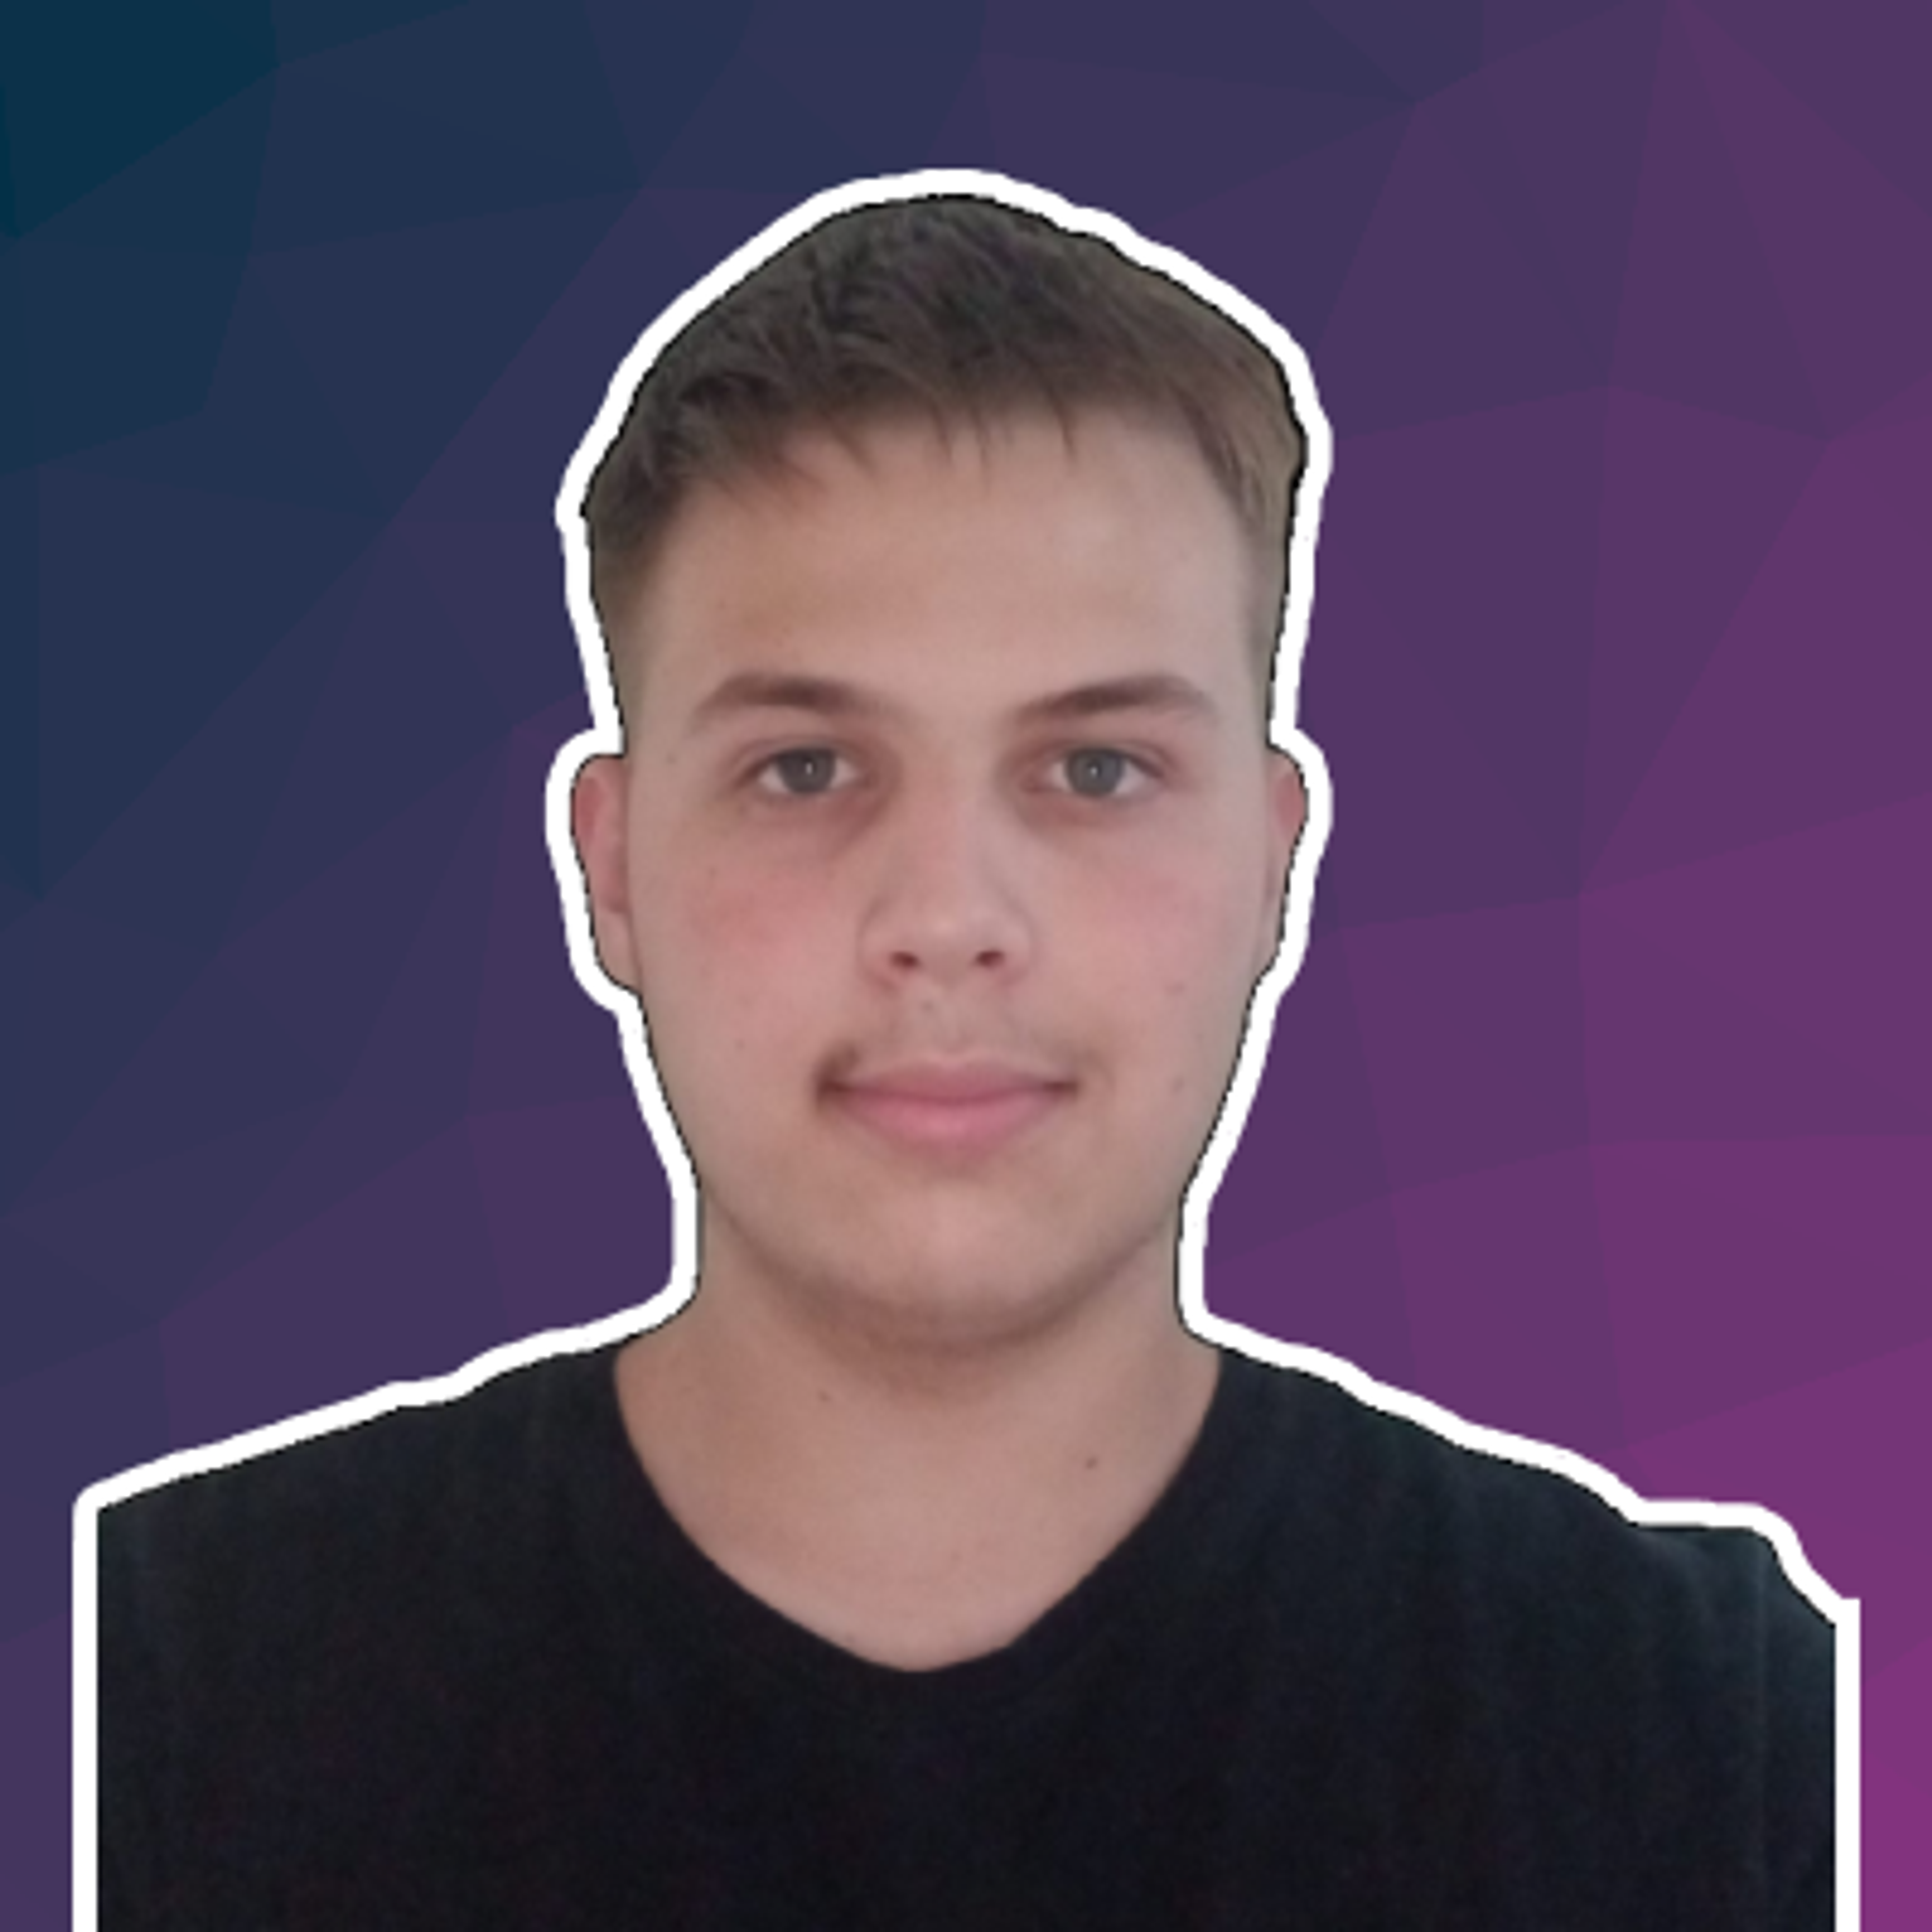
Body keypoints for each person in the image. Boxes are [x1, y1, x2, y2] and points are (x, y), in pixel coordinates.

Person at [87, 179, 1838, 1928]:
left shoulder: (1702, 1731)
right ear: (609, 872)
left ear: (1273, 866)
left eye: (1095, 770)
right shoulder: (166, 1687)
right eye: (805, 769)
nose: (946, 916)